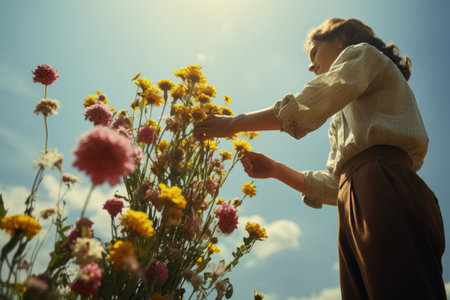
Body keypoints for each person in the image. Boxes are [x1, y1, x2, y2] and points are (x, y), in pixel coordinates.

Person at [194, 18, 446, 300]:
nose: (311, 66)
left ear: (341, 38)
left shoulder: (362, 54)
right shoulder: (346, 113)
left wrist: (235, 124)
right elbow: (335, 185)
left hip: (383, 183)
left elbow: (315, 98)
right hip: (357, 196)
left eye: (314, 52)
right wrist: (276, 170)